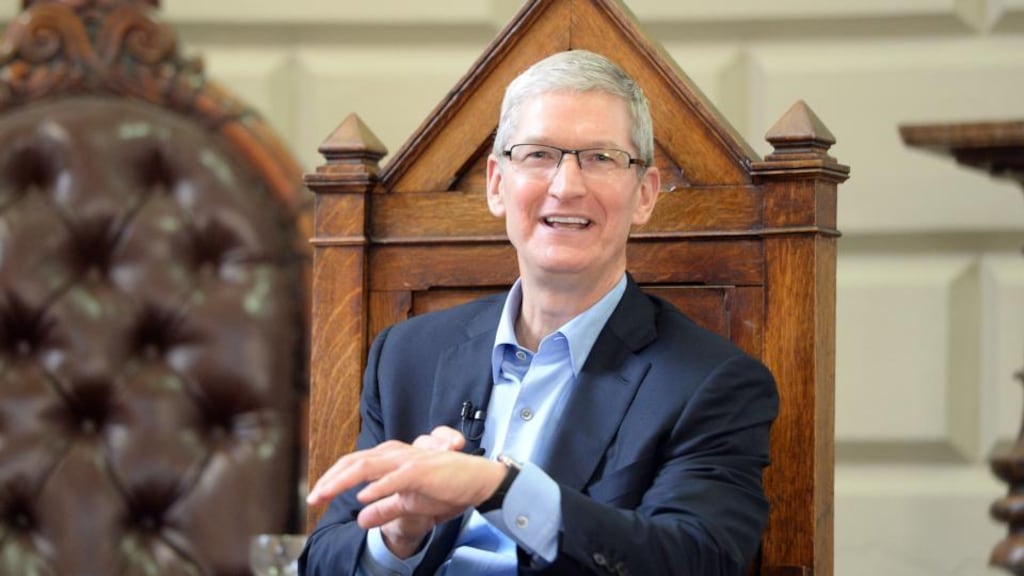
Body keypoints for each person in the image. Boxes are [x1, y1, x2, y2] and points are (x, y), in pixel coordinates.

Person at [298, 49, 778, 576]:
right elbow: (321, 559)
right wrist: (397, 535)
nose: (566, 185)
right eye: (538, 155)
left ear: (644, 194)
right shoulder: (407, 356)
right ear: (497, 184)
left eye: (600, 157)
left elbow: (694, 559)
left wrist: (496, 488)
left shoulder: (712, 383)